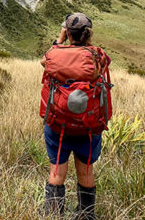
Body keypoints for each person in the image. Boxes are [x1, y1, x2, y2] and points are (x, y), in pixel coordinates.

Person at [40, 13, 111, 219]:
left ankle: (53, 215)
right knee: (86, 170)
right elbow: (105, 65)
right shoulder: (97, 55)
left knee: (57, 170)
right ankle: (86, 215)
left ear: (68, 33)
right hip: (89, 125)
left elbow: (44, 61)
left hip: (58, 124)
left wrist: (59, 41)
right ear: (88, 34)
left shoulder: (55, 55)